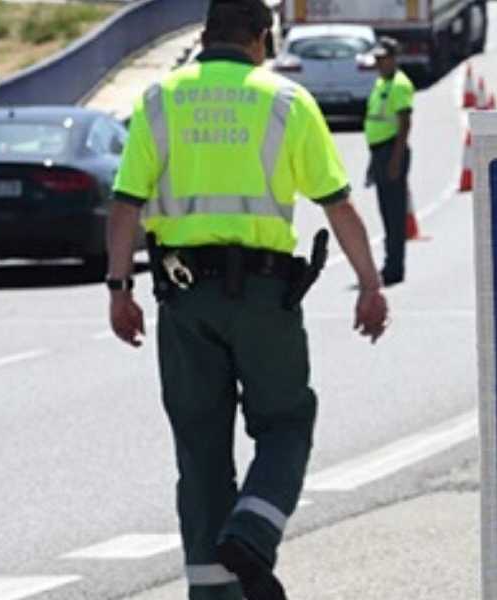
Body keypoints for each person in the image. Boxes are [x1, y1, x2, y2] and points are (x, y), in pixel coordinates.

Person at [105, 1, 390, 598]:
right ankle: (254, 534)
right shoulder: (286, 101)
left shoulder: (159, 100)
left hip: (185, 299)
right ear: (262, 38)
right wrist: (369, 284)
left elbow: (126, 204)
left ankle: (215, 592)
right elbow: (337, 204)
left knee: (201, 453)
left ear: (207, 35)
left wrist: (119, 289)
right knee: (286, 423)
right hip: (264, 298)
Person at [364, 37, 415, 287]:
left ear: (394, 58)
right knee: (386, 212)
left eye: (383, 58)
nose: (379, 63)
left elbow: (404, 124)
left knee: (394, 215)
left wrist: (395, 160)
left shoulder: (400, 85)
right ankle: (389, 263)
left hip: (392, 151)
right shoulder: (381, 83)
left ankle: (395, 267)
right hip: (379, 152)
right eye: (377, 59)